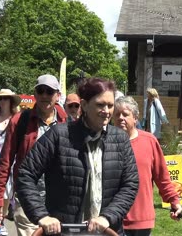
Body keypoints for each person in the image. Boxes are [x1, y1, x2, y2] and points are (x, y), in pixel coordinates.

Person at [15, 77, 139, 235]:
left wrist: (108, 217)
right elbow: (26, 174)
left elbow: (130, 183)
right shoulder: (59, 135)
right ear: (85, 105)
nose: (107, 111)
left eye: (110, 105)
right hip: (65, 232)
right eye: (100, 105)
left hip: (107, 231)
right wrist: (42, 216)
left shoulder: (120, 139)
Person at [0, 74, 67, 236]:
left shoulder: (67, 122)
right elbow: (5, 160)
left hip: (59, 199)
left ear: (58, 95)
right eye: (41, 91)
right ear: (35, 94)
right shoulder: (20, 121)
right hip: (27, 197)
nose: (45, 96)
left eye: (50, 91)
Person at [113, 96, 182, 236]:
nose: (120, 118)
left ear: (135, 118)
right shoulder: (105, 142)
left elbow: (162, 177)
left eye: (125, 114)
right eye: (117, 114)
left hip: (141, 219)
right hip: (113, 219)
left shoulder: (149, 141)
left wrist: (174, 201)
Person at [0, 89, 22, 236]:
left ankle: (1, 219)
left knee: (7, 194)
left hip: (11, 160)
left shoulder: (18, 119)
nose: (3, 101)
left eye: (6, 99)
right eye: (0, 99)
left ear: (11, 101)